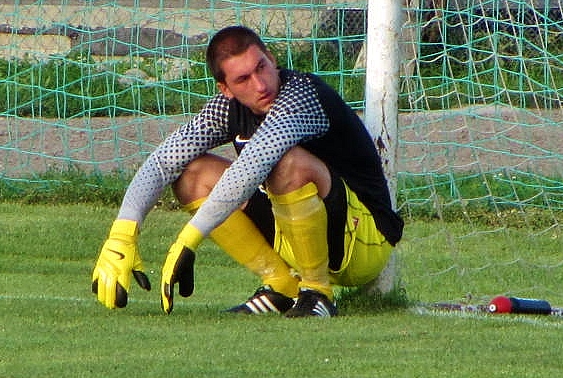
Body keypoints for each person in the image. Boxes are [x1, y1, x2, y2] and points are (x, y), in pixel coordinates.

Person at [90, 25, 404, 317]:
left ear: (272, 58)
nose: (260, 84)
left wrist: (187, 240)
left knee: (286, 162)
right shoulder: (226, 108)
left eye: (261, 67)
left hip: (365, 242)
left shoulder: (301, 97)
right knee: (192, 175)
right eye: (242, 80)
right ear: (225, 88)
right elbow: (162, 162)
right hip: (296, 233)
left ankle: (317, 292)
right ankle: (281, 286)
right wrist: (122, 234)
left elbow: (251, 168)